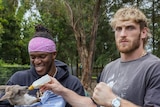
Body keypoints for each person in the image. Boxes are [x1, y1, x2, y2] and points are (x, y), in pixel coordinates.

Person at [39, 6, 160, 107]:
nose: (123, 34)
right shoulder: (109, 68)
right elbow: (93, 104)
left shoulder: (154, 67)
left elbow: (109, 100)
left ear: (143, 32)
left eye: (130, 28)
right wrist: (61, 90)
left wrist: (113, 101)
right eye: (118, 29)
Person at [0, 25, 85, 107]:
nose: (37, 61)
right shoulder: (19, 79)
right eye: (33, 57)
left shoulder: (72, 84)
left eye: (42, 56)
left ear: (54, 55)